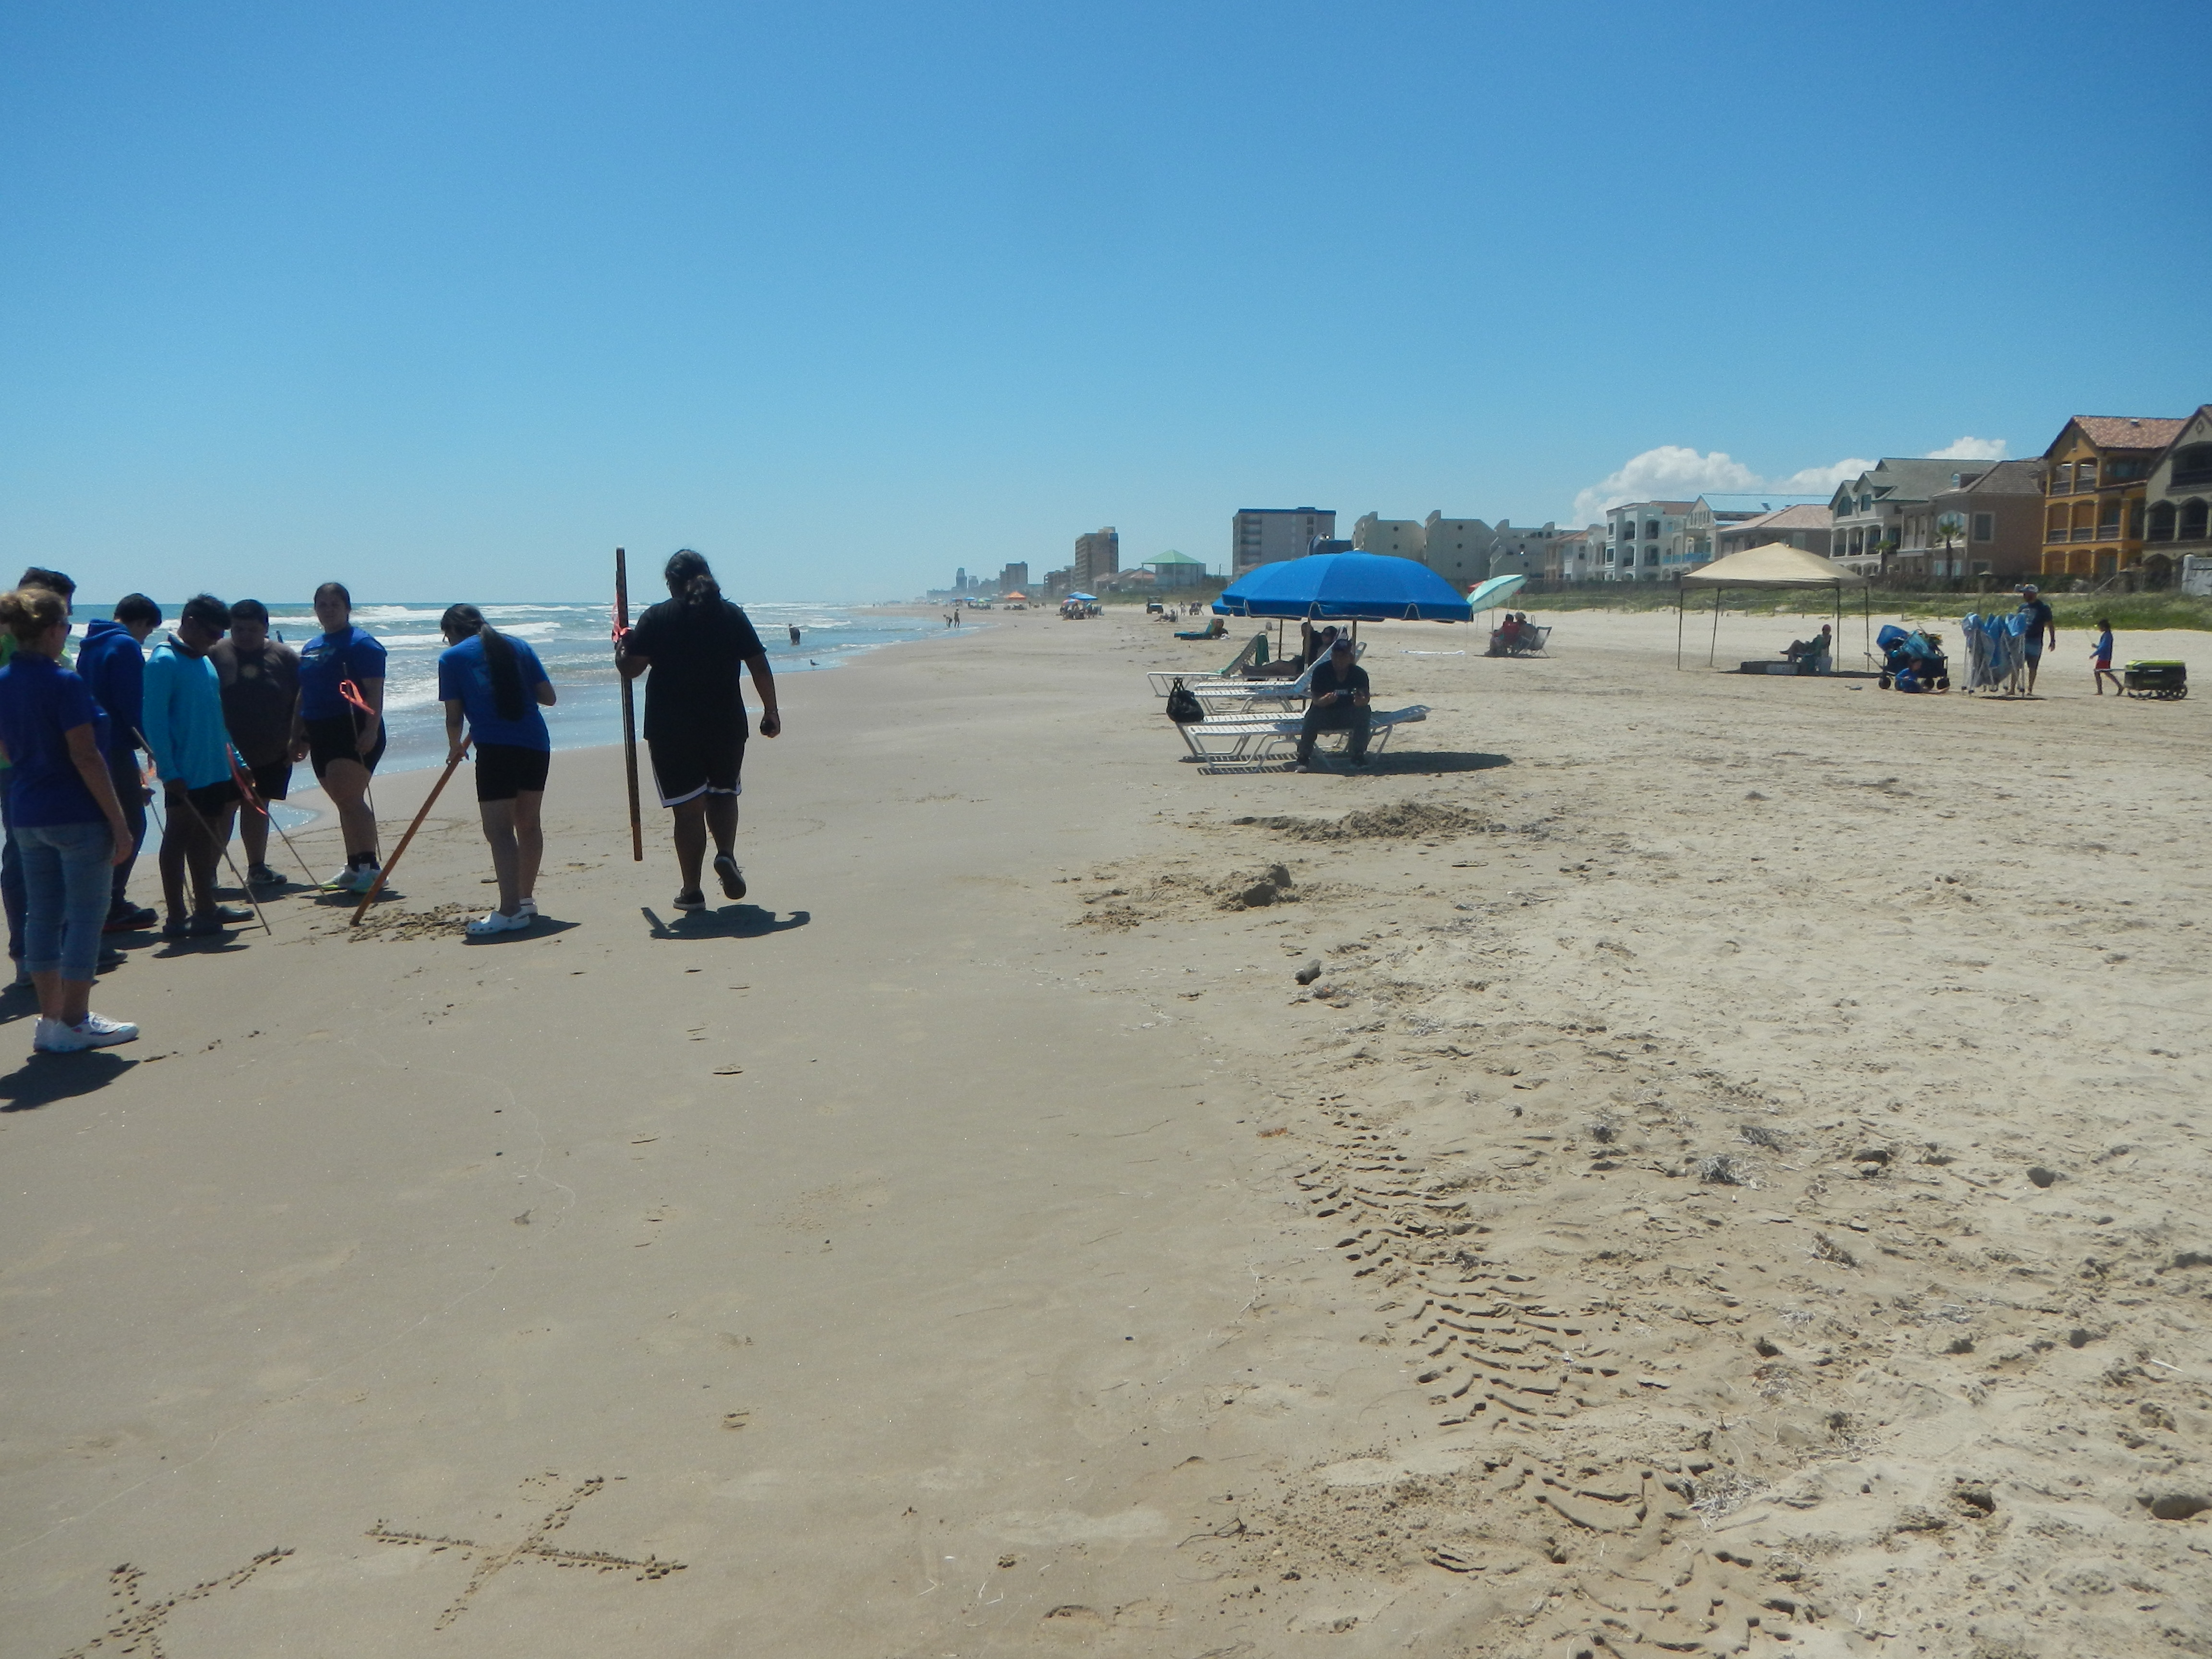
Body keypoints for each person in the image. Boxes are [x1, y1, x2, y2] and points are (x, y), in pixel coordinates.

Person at [0, 586, 137, 1051]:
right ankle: (74, 1019)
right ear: (54, 629)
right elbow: (87, 757)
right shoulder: (63, 681)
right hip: (75, 813)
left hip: (27, 810)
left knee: (42, 915)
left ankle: (50, 1018)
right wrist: (119, 823)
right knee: (84, 917)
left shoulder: (4, 679)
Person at [614, 550, 781, 911]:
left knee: (688, 811)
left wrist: (621, 646)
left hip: (671, 728)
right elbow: (759, 665)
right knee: (723, 795)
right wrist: (771, 711)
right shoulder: (731, 616)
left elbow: (631, 670)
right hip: (725, 725)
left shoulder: (658, 617)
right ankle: (725, 855)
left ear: (672, 582)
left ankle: (692, 890)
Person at [438, 605, 557, 937]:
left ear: (451, 631)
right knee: (528, 824)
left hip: (496, 747)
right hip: (535, 742)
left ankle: (509, 911)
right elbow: (548, 697)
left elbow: (454, 714)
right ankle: (524, 899)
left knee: (500, 831)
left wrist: (455, 745)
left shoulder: (453, 659)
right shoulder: (518, 646)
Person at [144, 595, 246, 939]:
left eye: (220, 633)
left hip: (216, 767)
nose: (216, 640)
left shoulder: (205, 663)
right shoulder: (163, 661)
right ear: (188, 622)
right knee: (177, 839)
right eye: (211, 632)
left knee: (207, 841)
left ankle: (206, 908)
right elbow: (154, 723)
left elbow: (217, 720)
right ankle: (176, 916)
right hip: (184, 773)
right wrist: (169, 772)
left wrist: (239, 761)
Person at [0, 567, 80, 984]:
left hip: (56, 760)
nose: (66, 619)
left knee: (54, 857)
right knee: (23, 855)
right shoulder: (6, 643)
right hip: (19, 767)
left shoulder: (50, 647)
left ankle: (52, 949)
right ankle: (25, 955)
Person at [73, 595, 163, 932]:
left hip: (89, 744)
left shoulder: (90, 644)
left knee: (103, 826)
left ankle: (102, 900)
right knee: (131, 824)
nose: (144, 639)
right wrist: (154, 746)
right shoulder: (125, 645)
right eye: (147, 632)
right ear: (141, 623)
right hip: (114, 747)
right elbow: (131, 705)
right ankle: (111, 902)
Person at [295, 582, 387, 890]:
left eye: (335, 604)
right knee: (341, 800)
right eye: (322, 604)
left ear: (348, 607)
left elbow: (375, 689)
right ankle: (354, 864)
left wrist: (371, 729)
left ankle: (370, 867)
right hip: (319, 728)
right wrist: (298, 733)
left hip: (353, 725)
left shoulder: (362, 644)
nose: (328, 610)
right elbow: (303, 693)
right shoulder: (310, 646)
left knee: (350, 797)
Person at [210, 600, 302, 888]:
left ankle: (257, 868)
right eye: (238, 629)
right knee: (224, 810)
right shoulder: (214, 654)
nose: (245, 635)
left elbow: (303, 701)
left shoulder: (285, 656)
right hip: (223, 751)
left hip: (273, 749)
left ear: (265, 628)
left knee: (259, 807)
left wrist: (301, 739)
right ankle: (208, 874)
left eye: (252, 629)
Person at [1294, 634, 1372, 773]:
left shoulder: (1359, 674)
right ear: (1332, 656)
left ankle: (1358, 755)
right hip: (1326, 713)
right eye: (1336, 656)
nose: (1339, 660)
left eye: (1343, 656)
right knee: (1312, 714)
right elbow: (1316, 700)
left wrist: (1361, 701)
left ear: (1350, 658)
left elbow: (1365, 698)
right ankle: (1304, 756)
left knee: (1364, 711)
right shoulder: (1322, 671)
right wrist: (1326, 700)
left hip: (1348, 714)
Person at [2019, 585, 2056, 694]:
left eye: (2026, 593)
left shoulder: (2043, 608)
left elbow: (2050, 624)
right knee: (2016, 665)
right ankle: (2013, 688)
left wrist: (2053, 640)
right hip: (2022, 639)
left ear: (2033, 594)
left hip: (2036, 640)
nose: (2024, 595)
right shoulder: (2022, 607)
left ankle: (2030, 689)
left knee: (2033, 666)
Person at [2091, 616, 2120, 696]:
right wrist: (2096, 647)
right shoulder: (2107, 635)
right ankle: (2120, 686)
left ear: (2103, 627)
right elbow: (2102, 647)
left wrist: (2094, 654)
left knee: (2097, 672)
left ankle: (2100, 691)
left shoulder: (2107, 636)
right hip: (2106, 657)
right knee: (2107, 672)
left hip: (2103, 658)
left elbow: (2103, 648)